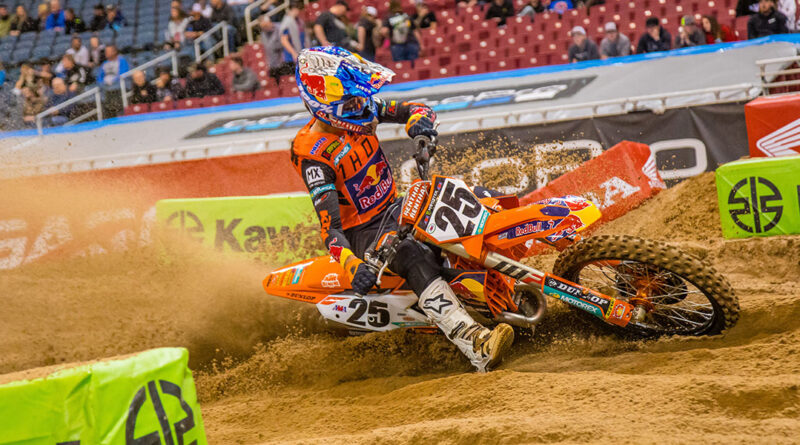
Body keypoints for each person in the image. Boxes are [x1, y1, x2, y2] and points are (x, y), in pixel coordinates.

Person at [290, 47, 514, 372]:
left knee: (471, 198)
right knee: (415, 255)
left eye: (360, 98)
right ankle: (474, 343)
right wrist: (354, 267)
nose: (362, 106)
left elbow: (415, 108)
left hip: (395, 206)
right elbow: (331, 231)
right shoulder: (314, 154)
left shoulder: (361, 108)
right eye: (352, 102)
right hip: (365, 233)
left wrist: (419, 124)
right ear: (323, 105)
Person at [278, 0, 307, 65]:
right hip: (292, 57)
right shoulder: (287, 22)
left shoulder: (298, 20)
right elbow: (284, 40)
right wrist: (293, 53)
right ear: (294, 9)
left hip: (301, 54)